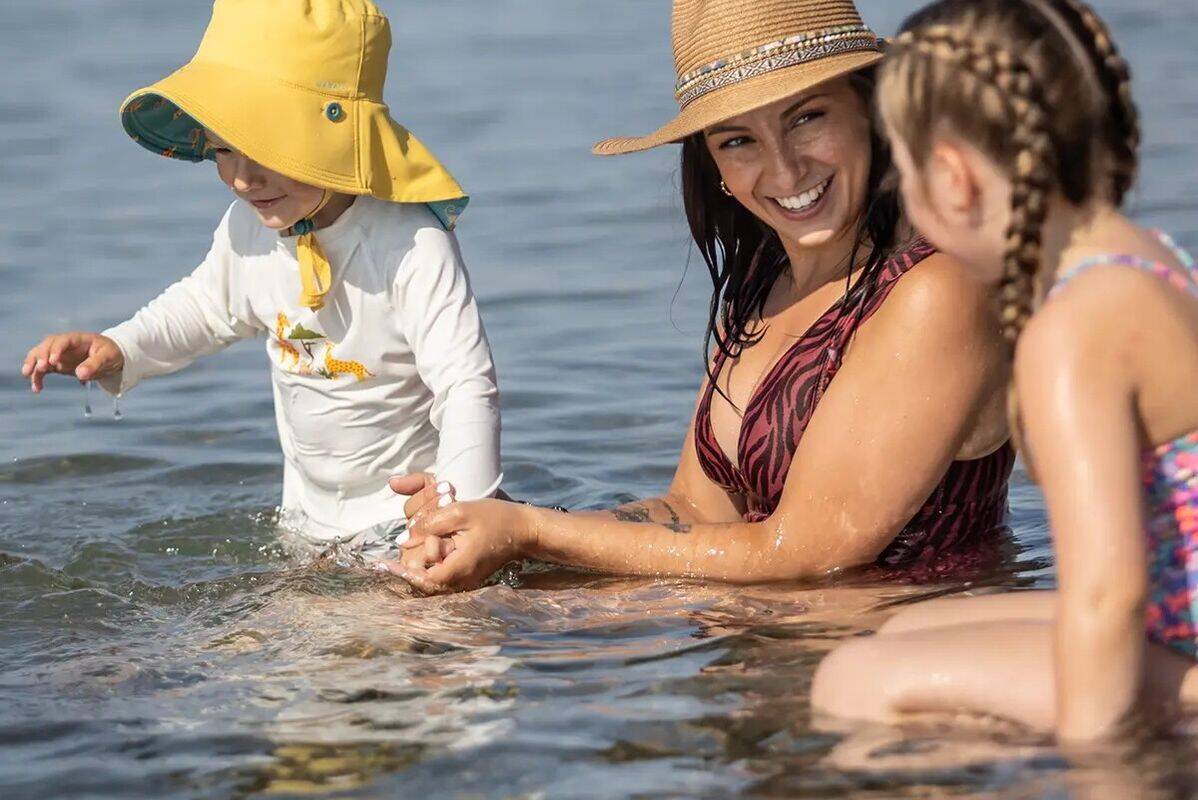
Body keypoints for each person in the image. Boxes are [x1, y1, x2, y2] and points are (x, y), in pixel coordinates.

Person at [385, 0, 1012, 592]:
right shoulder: (765, 288)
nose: (786, 170)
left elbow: (807, 555)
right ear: (711, 161)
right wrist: (483, 525)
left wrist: (531, 533)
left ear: (871, 112)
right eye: (738, 140)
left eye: (807, 117)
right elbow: (690, 511)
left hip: (900, 662)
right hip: (768, 641)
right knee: (412, 601)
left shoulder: (938, 290)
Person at [811, 0, 1198, 743]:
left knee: (852, 680)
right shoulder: (1151, 260)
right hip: (1178, 616)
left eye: (904, 178)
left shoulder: (1072, 330)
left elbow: (1108, 597)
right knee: (904, 629)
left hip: (1178, 647)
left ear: (953, 178)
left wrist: (1098, 770)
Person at [19, 0, 501, 556]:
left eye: (269, 151)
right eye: (224, 149)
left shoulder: (410, 244)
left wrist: (464, 519)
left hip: (411, 515)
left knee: (411, 629)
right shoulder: (250, 229)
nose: (243, 180)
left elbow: (466, 386)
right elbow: (205, 307)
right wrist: (122, 345)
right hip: (306, 517)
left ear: (339, 138)